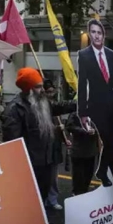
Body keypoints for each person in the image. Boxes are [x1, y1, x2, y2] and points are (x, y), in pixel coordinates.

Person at [0, 67, 75, 224]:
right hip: (30, 165)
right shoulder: (14, 109)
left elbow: (60, 106)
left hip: (47, 161)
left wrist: (82, 103)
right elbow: (12, 144)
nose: (43, 90)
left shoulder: (42, 101)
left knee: (42, 194)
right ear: (27, 89)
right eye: (38, 86)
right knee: (28, 198)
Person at [77, 19, 113, 199]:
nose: (96, 35)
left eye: (99, 32)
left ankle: (102, 171)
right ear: (89, 34)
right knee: (109, 143)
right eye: (93, 32)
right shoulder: (83, 55)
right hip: (95, 106)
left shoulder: (111, 54)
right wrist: (82, 112)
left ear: (103, 35)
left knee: (110, 145)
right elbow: (82, 84)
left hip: (112, 106)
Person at [43, 79, 70, 210]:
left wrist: (65, 139)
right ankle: (42, 200)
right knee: (43, 177)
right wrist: (56, 128)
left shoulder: (54, 105)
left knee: (54, 177)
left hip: (55, 147)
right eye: (48, 92)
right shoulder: (38, 108)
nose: (50, 94)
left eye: (52, 91)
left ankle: (52, 199)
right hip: (42, 150)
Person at [66, 112, 100, 195]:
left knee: (88, 175)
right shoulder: (75, 113)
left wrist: (95, 131)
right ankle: (77, 194)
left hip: (91, 150)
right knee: (78, 176)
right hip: (78, 151)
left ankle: (84, 192)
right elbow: (69, 127)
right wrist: (83, 131)